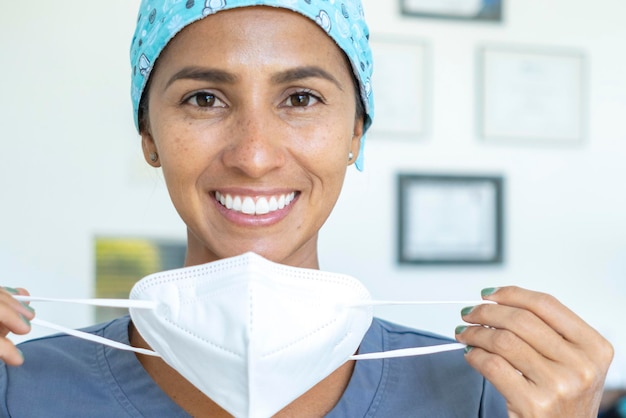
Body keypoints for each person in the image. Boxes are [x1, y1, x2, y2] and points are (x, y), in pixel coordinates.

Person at [0, 0, 614, 416]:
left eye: (300, 97)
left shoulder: (482, 393)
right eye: (205, 98)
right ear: (150, 137)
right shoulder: (18, 385)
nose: (255, 155)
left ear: (356, 132)